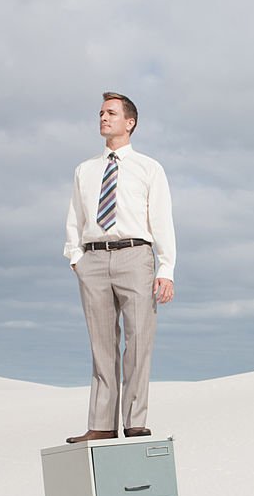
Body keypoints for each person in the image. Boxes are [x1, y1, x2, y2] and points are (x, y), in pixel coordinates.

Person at [62, 92, 176, 443]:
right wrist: (75, 257)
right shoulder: (85, 169)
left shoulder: (149, 168)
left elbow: (161, 219)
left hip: (135, 256)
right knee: (102, 346)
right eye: (100, 113)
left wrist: (166, 268)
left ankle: (135, 420)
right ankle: (102, 424)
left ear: (130, 122)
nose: (103, 118)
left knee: (139, 340)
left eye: (111, 113)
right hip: (93, 258)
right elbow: (75, 217)